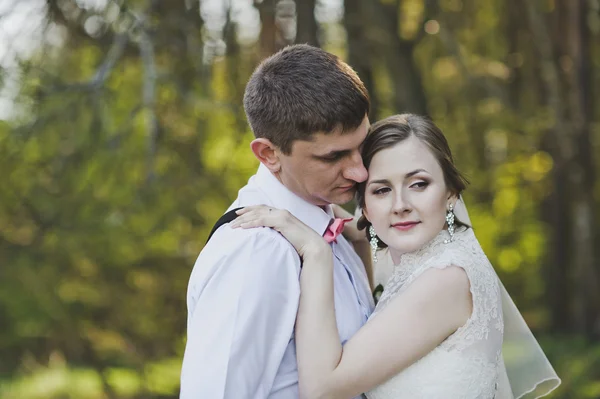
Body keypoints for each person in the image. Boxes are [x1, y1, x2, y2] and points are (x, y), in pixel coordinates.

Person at [232, 114, 561, 398]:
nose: (400, 204)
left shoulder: (446, 278)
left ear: (450, 193)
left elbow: (322, 390)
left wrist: (316, 252)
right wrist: (338, 223)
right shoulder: (427, 260)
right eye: (382, 190)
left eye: (418, 184)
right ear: (365, 205)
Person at [179, 44, 375, 398]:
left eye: (362, 146)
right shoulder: (257, 251)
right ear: (269, 153)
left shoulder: (329, 226)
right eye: (334, 156)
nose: (360, 171)